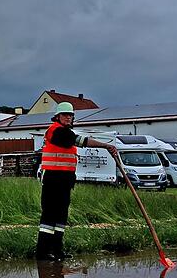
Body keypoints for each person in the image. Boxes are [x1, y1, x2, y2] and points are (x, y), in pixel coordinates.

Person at [37, 102, 119, 261]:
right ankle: (43, 252)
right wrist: (105, 146)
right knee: (49, 216)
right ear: (58, 117)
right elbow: (80, 141)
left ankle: (57, 251)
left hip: (64, 181)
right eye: (65, 115)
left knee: (61, 216)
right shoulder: (56, 131)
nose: (68, 117)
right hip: (53, 179)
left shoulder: (66, 132)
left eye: (70, 115)